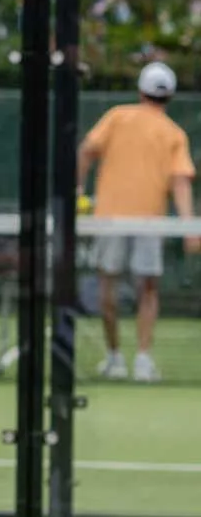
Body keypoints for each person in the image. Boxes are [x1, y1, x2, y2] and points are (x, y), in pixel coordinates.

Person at [77, 61, 199, 383]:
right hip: (147, 223)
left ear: (140, 90)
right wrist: (190, 227)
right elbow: (181, 183)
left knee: (108, 287)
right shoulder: (174, 133)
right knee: (148, 290)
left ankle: (117, 357)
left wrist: (76, 190)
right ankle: (141, 360)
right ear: (170, 96)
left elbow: (86, 151)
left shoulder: (117, 117)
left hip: (114, 220)